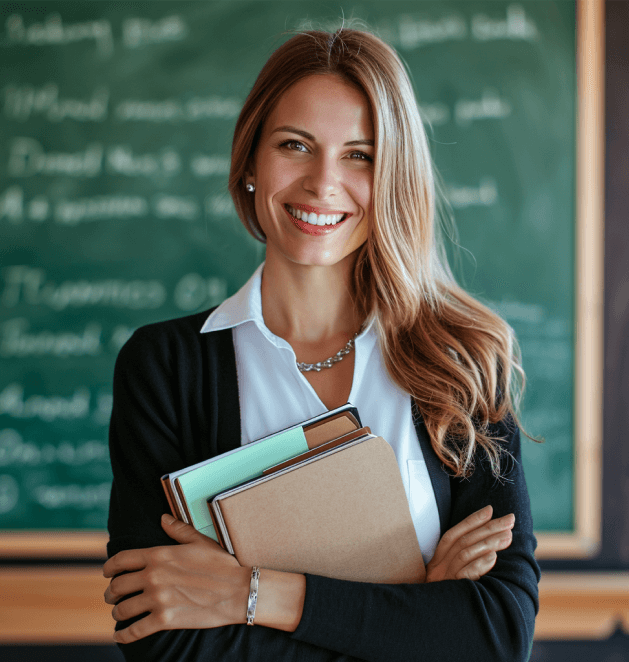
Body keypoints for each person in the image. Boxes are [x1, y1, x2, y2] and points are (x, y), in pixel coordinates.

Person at [103, 28, 540, 661]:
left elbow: (496, 637)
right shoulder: (163, 367)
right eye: (294, 146)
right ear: (251, 160)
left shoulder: (462, 362)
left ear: (393, 176)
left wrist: (251, 596)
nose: (322, 182)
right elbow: (164, 643)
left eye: (359, 155)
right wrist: (418, 601)